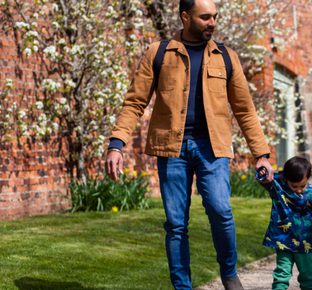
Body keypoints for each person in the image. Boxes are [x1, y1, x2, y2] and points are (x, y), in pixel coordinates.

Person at [104, 0, 274, 288]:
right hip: (172, 148)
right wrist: (116, 144)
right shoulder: (159, 53)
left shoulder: (226, 57)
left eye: (215, 17)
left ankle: (229, 274)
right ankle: (182, 286)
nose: (212, 23)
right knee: (176, 224)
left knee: (221, 210)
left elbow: (245, 109)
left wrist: (262, 154)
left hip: (213, 148)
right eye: (205, 17)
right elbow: (135, 101)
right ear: (185, 17)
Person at [257, 156, 312, 290]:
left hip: (303, 242)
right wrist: (263, 173)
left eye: (302, 186)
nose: (299, 190)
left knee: (308, 276)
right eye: (294, 186)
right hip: (283, 241)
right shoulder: (278, 189)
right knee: (281, 275)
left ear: (308, 179)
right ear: (286, 178)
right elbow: (266, 180)